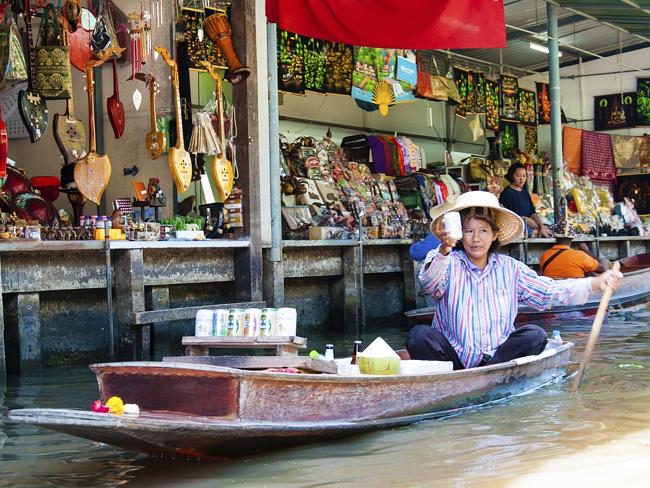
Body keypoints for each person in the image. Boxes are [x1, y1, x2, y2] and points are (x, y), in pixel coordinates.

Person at [405, 191, 623, 370]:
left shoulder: (510, 268)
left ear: (495, 235)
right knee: (419, 336)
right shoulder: (447, 260)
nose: (476, 238)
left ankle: (490, 374)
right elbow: (430, 285)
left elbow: (548, 292)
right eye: (469, 231)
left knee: (535, 335)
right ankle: (456, 380)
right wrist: (443, 249)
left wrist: (594, 284)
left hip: (497, 358)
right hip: (453, 360)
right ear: (460, 234)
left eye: (483, 231)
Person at [499, 162, 551, 238]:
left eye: (524, 176)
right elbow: (507, 216)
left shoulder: (524, 192)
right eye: (518, 175)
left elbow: (532, 212)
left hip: (528, 228)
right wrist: (524, 219)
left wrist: (541, 226)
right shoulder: (507, 193)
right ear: (512, 176)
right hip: (515, 231)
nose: (521, 179)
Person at [540, 235, 611, 279]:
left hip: (555, 294)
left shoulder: (544, 255)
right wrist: (586, 250)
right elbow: (602, 269)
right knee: (604, 263)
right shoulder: (579, 255)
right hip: (576, 295)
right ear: (572, 238)